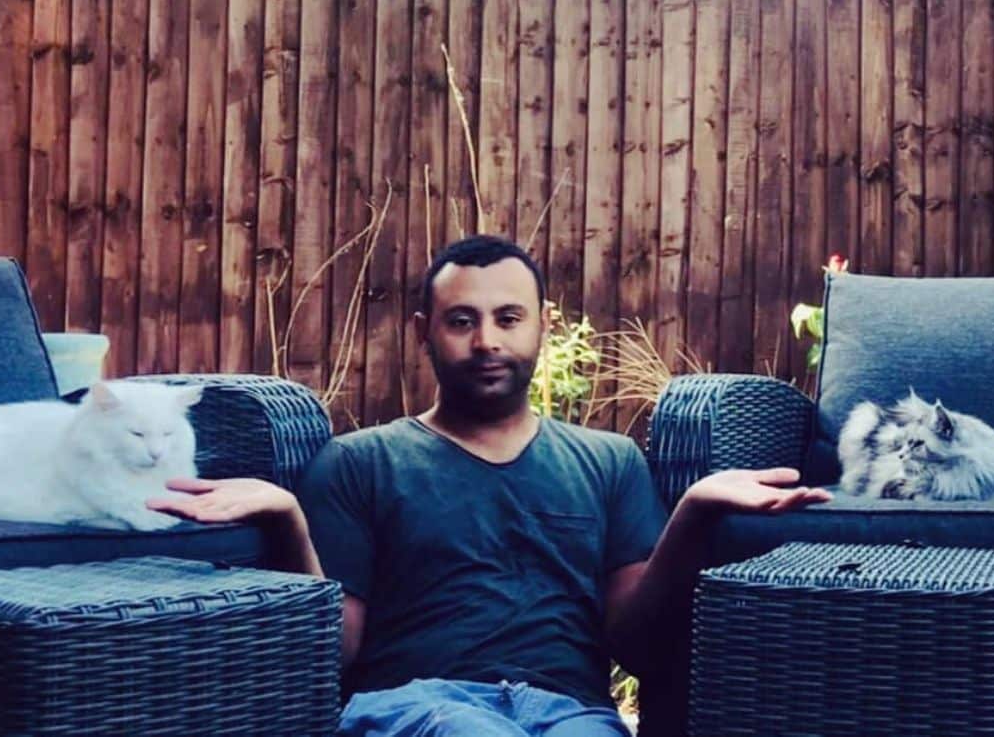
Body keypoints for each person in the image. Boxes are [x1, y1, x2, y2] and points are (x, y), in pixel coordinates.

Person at [149, 235, 831, 736]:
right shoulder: (360, 464)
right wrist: (290, 522)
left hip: (572, 714)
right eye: (461, 320)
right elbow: (337, 657)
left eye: (508, 318)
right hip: (414, 707)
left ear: (540, 325)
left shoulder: (610, 462)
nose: (486, 342)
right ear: (425, 333)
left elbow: (637, 646)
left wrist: (692, 514)